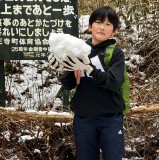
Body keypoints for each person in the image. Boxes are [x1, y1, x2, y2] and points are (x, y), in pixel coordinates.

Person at [48, 6, 125, 160]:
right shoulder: (77, 50)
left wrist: (89, 68)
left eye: (108, 24)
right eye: (98, 22)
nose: (102, 27)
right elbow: (70, 85)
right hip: (84, 118)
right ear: (90, 26)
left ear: (114, 31)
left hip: (110, 118)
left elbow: (113, 82)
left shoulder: (116, 54)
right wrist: (62, 71)